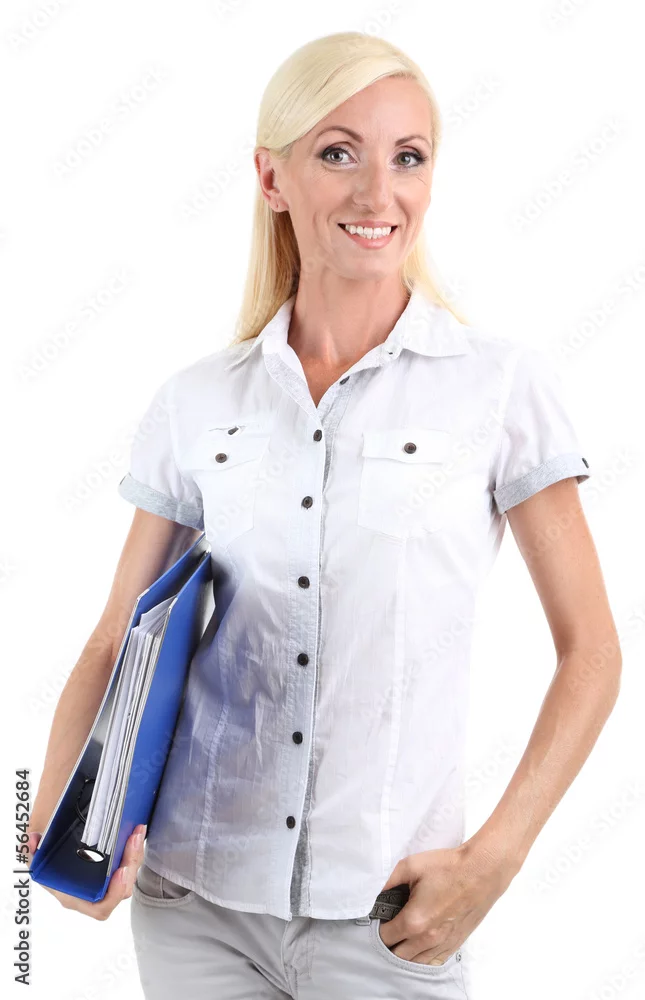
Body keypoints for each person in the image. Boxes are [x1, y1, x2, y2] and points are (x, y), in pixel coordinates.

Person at [28, 30, 621, 1000]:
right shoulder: (196, 401)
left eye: (408, 157)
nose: (377, 192)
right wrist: (54, 823)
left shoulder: (500, 387)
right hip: (195, 904)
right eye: (338, 152)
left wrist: (495, 860)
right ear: (271, 177)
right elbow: (115, 638)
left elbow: (590, 650)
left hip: (390, 916)